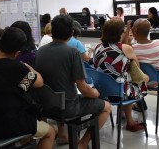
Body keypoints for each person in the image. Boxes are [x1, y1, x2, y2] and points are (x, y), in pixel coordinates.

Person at [0, 27, 56, 147]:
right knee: (50, 132)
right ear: (17, 52)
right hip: (9, 124)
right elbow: (39, 83)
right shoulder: (17, 68)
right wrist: (30, 69)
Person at [35, 15, 111, 148]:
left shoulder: (40, 51)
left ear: (52, 32)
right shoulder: (72, 52)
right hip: (68, 108)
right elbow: (83, 88)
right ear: (71, 33)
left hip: (45, 106)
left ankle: (66, 136)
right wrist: (95, 94)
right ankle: (82, 144)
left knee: (66, 94)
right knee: (106, 107)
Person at [93, 18, 147, 132]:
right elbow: (137, 68)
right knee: (136, 82)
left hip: (100, 91)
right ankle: (130, 121)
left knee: (122, 80)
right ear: (120, 33)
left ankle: (122, 113)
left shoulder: (97, 47)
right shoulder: (125, 48)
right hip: (119, 92)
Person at [131, 19, 159, 113]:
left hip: (144, 82)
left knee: (134, 81)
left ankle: (141, 106)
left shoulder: (132, 49)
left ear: (136, 31)